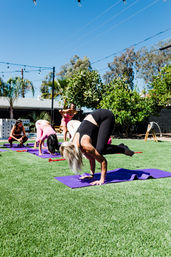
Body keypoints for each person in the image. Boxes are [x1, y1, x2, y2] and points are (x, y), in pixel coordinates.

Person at [60, 109, 134, 186]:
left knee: (100, 150)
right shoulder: (76, 144)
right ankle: (121, 147)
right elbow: (91, 158)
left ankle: (122, 148)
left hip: (106, 116)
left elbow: (103, 161)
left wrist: (101, 180)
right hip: (95, 119)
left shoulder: (85, 145)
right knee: (96, 150)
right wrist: (92, 175)